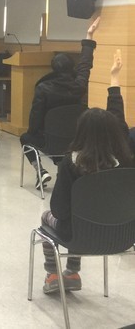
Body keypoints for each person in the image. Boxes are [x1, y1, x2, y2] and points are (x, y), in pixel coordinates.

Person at [40, 49, 133, 294]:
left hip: (79, 234)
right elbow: (117, 118)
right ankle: (71, 273)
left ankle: (57, 274)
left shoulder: (71, 163)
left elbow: (59, 210)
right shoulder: (126, 162)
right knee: (80, 216)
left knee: (49, 217)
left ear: (80, 132)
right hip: (122, 233)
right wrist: (114, 80)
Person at [20, 17, 100, 190]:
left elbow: (36, 116)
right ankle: (62, 169)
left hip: (51, 140)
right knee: (59, 141)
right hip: (76, 139)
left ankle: (40, 171)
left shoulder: (43, 88)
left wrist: (33, 132)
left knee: (26, 138)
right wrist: (89, 36)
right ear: (71, 67)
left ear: (53, 68)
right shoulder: (79, 85)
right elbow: (85, 65)